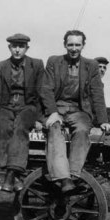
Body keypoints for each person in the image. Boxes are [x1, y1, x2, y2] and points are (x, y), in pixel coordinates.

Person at [40, 30, 110, 193]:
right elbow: (46, 89)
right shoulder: (54, 61)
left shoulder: (91, 65)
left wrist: (103, 120)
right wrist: (52, 112)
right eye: (70, 44)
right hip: (56, 108)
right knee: (54, 129)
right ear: (65, 45)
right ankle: (63, 179)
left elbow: (97, 93)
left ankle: (73, 174)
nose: (73, 48)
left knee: (82, 129)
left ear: (83, 45)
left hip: (78, 111)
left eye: (77, 45)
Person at [0, 34, 44, 193]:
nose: (17, 50)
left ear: (27, 48)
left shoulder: (37, 65)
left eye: (21, 46)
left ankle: (10, 174)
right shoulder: (0, 67)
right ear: (9, 47)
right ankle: (14, 176)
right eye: (14, 46)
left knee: (20, 127)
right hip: (6, 105)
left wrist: (40, 119)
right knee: (1, 129)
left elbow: (40, 92)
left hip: (27, 106)